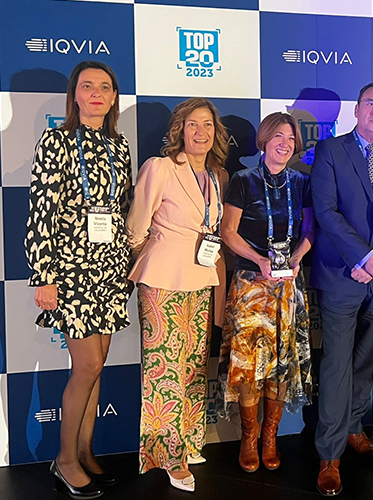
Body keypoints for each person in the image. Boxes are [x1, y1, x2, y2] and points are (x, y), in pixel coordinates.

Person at [26, 60, 132, 499]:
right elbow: (41, 211)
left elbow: (121, 208)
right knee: (87, 364)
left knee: (97, 365)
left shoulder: (119, 145)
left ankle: (85, 451)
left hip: (109, 268)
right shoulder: (56, 141)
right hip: (70, 270)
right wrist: (43, 275)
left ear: (113, 97)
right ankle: (64, 460)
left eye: (104, 87)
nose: (96, 93)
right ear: (75, 95)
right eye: (87, 86)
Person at [311, 81, 373, 496]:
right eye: (370, 103)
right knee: (335, 364)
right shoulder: (329, 151)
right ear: (356, 110)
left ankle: (354, 428)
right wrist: (362, 257)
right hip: (342, 274)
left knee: (364, 360)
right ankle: (329, 453)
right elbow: (326, 211)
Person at [126, 98, 229, 492]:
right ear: (180, 131)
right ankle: (167, 455)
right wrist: (150, 257)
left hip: (200, 278)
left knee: (193, 366)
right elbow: (136, 224)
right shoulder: (161, 167)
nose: (201, 132)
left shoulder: (217, 176)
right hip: (162, 279)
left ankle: (187, 441)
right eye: (192, 124)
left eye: (207, 124)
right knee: (164, 370)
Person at [216, 112, 314, 473]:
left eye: (290, 138)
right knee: (248, 366)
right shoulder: (243, 180)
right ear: (264, 140)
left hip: (287, 286)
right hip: (251, 285)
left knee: (280, 364)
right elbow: (228, 232)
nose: (284, 144)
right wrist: (260, 260)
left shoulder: (302, 183)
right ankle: (249, 437)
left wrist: (297, 258)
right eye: (278, 137)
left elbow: (310, 231)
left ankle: (270, 437)